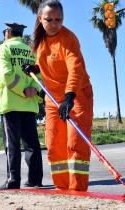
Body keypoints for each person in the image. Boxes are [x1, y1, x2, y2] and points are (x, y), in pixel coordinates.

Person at [22, 0, 93, 192]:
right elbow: (46, 62)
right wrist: (35, 68)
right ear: (40, 19)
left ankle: (77, 190)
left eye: (58, 19)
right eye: (49, 19)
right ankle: (62, 189)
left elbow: (75, 70)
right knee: (54, 144)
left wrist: (69, 97)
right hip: (53, 99)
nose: (54, 24)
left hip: (76, 96)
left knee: (75, 143)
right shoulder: (40, 39)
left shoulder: (69, 39)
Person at [0, 22, 43, 190]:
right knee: (32, 144)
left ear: (8, 33)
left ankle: (13, 180)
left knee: (12, 144)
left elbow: (6, 75)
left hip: (11, 103)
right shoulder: (31, 51)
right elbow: (40, 73)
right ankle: (35, 179)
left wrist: (21, 90)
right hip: (29, 105)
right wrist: (33, 89)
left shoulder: (4, 49)